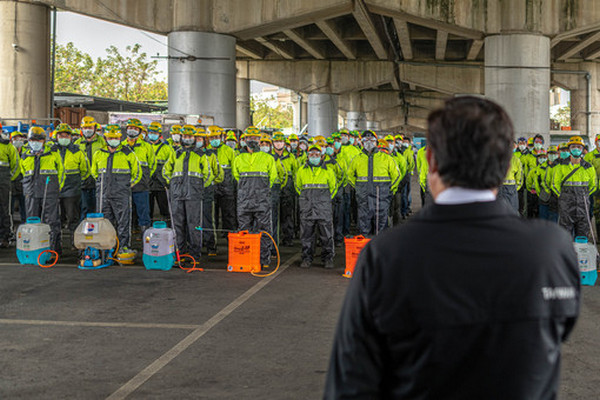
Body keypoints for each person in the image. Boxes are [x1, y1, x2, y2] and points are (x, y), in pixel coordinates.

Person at [325, 96, 580, 399]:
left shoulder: (384, 255)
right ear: (506, 164)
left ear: (431, 159)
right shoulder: (551, 250)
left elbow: (350, 384)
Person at [162, 126, 211, 261]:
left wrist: (199, 188)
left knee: (194, 225)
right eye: (185, 136)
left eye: (190, 137)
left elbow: (208, 174)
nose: (187, 139)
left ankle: (195, 254)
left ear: (194, 138)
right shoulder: (176, 153)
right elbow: (166, 170)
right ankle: (180, 253)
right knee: (177, 224)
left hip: (194, 195)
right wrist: (171, 185)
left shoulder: (201, 155)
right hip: (177, 194)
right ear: (182, 138)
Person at [90, 125, 141, 254]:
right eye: (110, 137)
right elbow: (94, 172)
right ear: (106, 138)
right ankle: (106, 248)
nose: (113, 140)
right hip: (103, 194)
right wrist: (102, 184)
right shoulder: (99, 154)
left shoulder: (128, 153)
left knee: (123, 222)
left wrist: (127, 186)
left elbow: (137, 173)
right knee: (104, 223)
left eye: (116, 138)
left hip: (121, 194)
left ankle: (123, 247)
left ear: (120, 138)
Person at [232, 128, 278, 268]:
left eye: (256, 138)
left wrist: (261, 192)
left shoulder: (268, 159)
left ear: (260, 141)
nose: (253, 140)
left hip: (262, 201)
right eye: (249, 138)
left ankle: (264, 259)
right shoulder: (238, 159)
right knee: (244, 231)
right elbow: (236, 177)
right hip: (244, 202)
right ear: (244, 140)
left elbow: (273, 177)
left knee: (264, 230)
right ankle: (246, 258)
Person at [346, 130, 401, 236]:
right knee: (364, 225)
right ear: (361, 143)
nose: (369, 142)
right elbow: (349, 175)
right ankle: (366, 250)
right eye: (365, 140)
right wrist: (359, 188)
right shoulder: (357, 159)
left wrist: (389, 190)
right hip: (364, 199)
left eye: (372, 140)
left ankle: (381, 249)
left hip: (381, 198)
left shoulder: (386, 158)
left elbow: (396, 175)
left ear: (376, 142)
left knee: (381, 226)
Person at [21, 127, 65, 255]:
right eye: (33, 139)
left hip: (49, 193)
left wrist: (57, 188)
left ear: (44, 141)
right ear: (29, 140)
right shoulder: (25, 156)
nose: (36, 142)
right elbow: (23, 173)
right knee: (32, 222)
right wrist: (28, 188)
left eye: (39, 139)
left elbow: (61, 172)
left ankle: (53, 250)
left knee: (51, 222)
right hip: (31, 194)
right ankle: (35, 250)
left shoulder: (53, 154)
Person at [295, 144, 337, 269]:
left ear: (321, 156)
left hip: (323, 207)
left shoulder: (328, 171)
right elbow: (298, 187)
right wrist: (306, 199)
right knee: (306, 234)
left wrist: (325, 200)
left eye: (317, 155)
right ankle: (307, 258)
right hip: (307, 207)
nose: (314, 157)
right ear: (308, 156)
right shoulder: (301, 170)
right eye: (311, 154)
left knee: (326, 235)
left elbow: (333, 188)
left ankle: (328, 258)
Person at [552, 136, 597, 239]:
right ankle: (566, 254)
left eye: (579, 147)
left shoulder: (589, 167)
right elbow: (555, 184)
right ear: (569, 149)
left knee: (582, 233)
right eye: (573, 147)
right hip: (566, 205)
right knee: (564, 234)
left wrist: (584, 196)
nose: (576, 149)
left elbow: (593, 185)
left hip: (583, 205)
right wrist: (563, 197)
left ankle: (581, 254)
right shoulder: (561, 166)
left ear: (582, 149)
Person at [124, 118, 156, 242]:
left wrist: (145, 178)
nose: (132, 130)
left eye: (136, 128)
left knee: (144, 213)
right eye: (130, 128)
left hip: (141, 186)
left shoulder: (146, 147)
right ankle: (126, 239)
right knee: (125, 214)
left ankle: (146, 240)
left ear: (140, 131)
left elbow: (152, 165)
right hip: (124, 187)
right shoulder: (121, 146)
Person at [54, 123, 89, 237]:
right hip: (54, 189)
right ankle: (55, 244)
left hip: (72, 190)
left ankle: (75, 243)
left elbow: (85, 170)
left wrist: (77, 183)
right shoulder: (51, 151)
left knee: (73, 217)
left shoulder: (77, 151)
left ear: (71, 137)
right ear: (56, 137)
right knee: (55, 218)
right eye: (61, 136)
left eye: (66, 136)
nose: (63, 138)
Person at [197, 126, 224, 256]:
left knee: (208, 218)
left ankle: (210, 245)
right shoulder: (189, 154)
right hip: (192, 192)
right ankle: (196, 244)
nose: (198, 140)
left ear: (204, 140)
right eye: (196, 138)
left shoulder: (210, 155)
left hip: (207, 191)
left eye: (200, 138)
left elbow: (219, 173)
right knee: (193, 219)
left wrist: (210, 183)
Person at [77, 116, 106, 218]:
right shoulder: (77, 144)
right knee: (84, 208)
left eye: (90, 127)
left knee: (99, 208)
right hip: (82, 182)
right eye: (85, 128)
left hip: (98, 181)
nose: (87, 130)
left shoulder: (103, 142)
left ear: (95, 128)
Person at [211, 126, 237, 236]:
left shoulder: (229, 151)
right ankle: (213, 238)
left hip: (227, 189)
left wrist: (234, 187)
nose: (214, 139)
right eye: (212, 137)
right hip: (211, 188)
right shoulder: (206, 152)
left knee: (228, 215)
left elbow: (235, 170)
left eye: (216, 137)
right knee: (212, 215)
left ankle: (230, 238)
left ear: (221, 137)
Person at [272, 131, 296, 247]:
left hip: (288, 191)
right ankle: (274, 239)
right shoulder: (269, 157)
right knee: (273, 216)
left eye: (280, 141)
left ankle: (288, 238)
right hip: (273, 191)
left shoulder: (290, 157)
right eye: (276, 141)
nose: (278, 144)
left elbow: (296, 174)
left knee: (287, 215)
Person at [146, 121, 174, 223]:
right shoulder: (144, 147)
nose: (152, 134)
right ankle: (147, 229)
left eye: (155, 132)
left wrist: (167, 181)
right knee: (147, 209)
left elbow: (171, 165)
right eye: (151, 132)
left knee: (165, 208)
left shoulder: (167, 148)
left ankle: (167, 226)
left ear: (160, 135)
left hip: (162, 184)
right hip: (147, 183)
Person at [0, 125, 19, 248]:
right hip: (4, 179)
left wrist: (8, 178)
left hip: (3, 179)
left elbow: (15, 164)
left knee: (3, 208)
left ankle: (5, 236)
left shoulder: (7, 145)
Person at [10, 130, 27, 227]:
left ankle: (24, 224)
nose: (18, 140)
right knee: (10, 207)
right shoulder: (10, 150)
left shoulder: (26, 150)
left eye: (20, 138)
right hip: (12, 182)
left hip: (23, 182)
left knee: (24, 206)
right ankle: (11, 225)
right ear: (11, 140)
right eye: (15, 138)